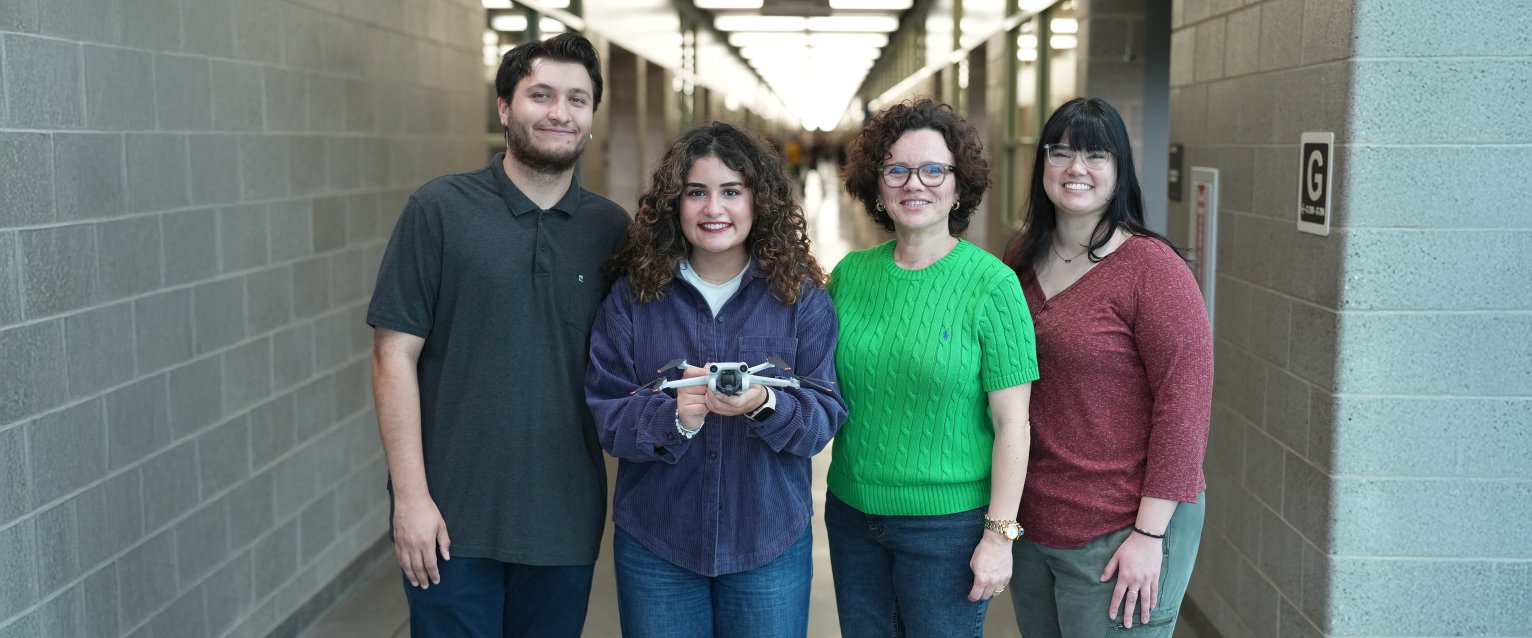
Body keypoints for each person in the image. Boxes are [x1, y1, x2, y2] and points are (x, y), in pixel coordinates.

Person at [366, 33, 630, 637]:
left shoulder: (611, 230)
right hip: (449, 520)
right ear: (505, 108)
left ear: (592, 117)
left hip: (564, 519)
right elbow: (392, 357)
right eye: (541, 95)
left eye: (578, 99)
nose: (560, 112)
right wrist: (411, 499)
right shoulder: (438, 210)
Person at [585, 122, 848, 638]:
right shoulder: (633, 298)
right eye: (696, 193)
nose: (714, 209)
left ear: (758, 200)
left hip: (767, 543)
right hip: (659, 542)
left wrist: (766, 403)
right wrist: (674, 418)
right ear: (674, 204)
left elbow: (824, 415)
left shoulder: (801, 299)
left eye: (731, 191)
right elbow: (606, 411)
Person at [825, 98, 1039, 637]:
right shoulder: (849, 275)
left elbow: (1013, 423)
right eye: (896, 169)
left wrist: (999, 535)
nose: (913, 183)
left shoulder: (993, 285)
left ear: (958, 184)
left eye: (932, 170)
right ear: (877, 186)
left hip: (947, 529)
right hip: (852, 516)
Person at [1001, 97, 1212, 635]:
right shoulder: (1019, 262)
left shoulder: (1153, 270)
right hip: (1031, 524)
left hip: (1120, 531)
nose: (1076, 167)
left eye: (1096, 154)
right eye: (1061, 152)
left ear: (1119, 170)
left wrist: (1150, 535)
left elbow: (1184, 409)